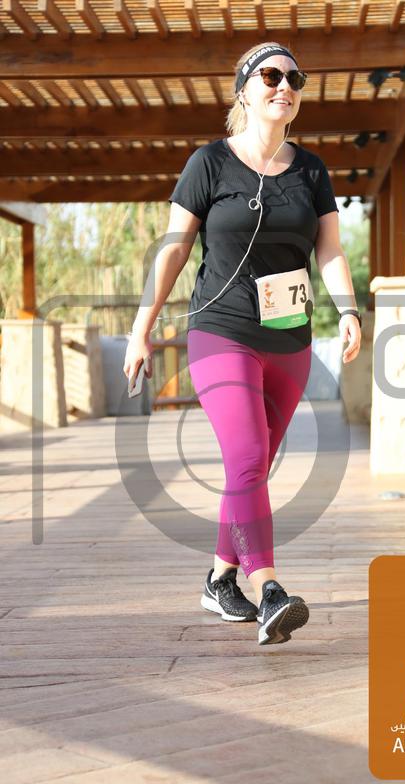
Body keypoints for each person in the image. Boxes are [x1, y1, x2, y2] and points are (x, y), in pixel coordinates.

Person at [124, 41, 362, 646]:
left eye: (295, 79)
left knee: (248, 467)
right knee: (249, 456)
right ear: (244, 91)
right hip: (221, 330)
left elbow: (330, 249)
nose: (285, 86)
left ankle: (219, 579)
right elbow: (174, 249)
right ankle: (269, 588)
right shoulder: (209, 163)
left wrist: (349, 309)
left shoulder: (311, 170)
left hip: (289, 336)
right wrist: (141, 328)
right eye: (271, 75)